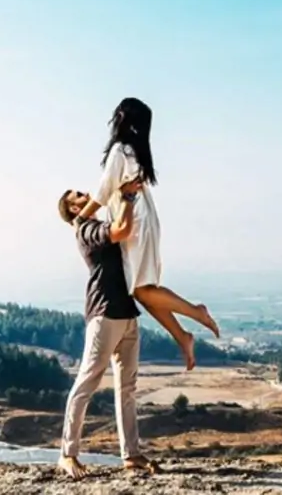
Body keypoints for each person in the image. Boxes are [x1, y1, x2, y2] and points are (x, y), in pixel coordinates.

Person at [72, 96, 219, 371]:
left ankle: (195, 313)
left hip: (137, 222)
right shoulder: (134, 152)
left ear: (121, 119)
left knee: (143, 290)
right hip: (145, 220)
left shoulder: (120, 151)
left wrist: (80, 218)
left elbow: (103, 193)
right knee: (145, 290)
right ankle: (182, 335)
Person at [55, 179, 160, 481]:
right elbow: (122, 231)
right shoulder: (85, 229)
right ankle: (67, 453)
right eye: (77, 194)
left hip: (126, 313)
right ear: (74, 208)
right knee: (87, 382)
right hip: (104, 315)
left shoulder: (97, 223)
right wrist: (126, 195)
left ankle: (131, 455)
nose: (84, 193)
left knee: (127, 387)